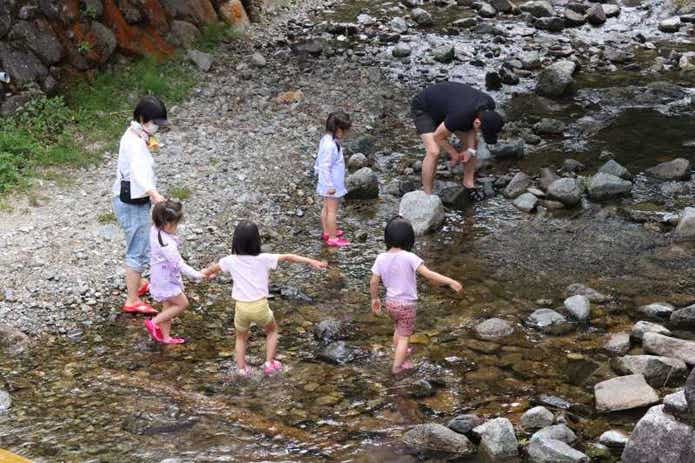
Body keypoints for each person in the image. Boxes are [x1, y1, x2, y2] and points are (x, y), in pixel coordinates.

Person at [204, 221, 327, 377]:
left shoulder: (229, 260)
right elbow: (289, 257)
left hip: (241, 307)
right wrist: (311, 261)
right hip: (260, 306)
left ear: (235, 241)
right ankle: (269, 363)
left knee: (241, 338)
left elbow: (212, 270)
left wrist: (207, 274)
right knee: (272, 331)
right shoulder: (265, 258)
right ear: (257, 240)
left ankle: (242, 369)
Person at [370, 216, 462, 374]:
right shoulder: (410, 257)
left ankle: (398, 352)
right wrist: (450, 281)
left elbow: (373, 281)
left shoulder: (381, 258)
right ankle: (397, 367)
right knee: (405, 336)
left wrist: (374, 298)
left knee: (398, 329)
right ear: (409, 239)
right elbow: (428, 274)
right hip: (406, 305)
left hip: (390, 302)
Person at [112, 95, 169, 315]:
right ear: (143, 119)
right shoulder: (135, 144)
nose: (157, 128)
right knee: (137, 250)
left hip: (130, 199)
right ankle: (132, 300)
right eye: (155, 123)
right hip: (131, 202)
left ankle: (139, 282)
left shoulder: (135, 133)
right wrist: (154, 193)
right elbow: (138, 172)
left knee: (138, 243)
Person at [411, 81, 504, 197]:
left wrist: (470, 151)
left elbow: (472, 128)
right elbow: (438, 137)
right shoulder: (461, 116)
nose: (481, 133)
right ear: (477, 122)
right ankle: (427, 196)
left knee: (473, 143)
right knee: (434, 151)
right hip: (424, 108)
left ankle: (468, 183)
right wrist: (453, 153)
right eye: (483, 131)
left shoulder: (489, 105)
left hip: (449, 108)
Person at [144, 201, 204, 345]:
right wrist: (197, 274)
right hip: (167, 280)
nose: (177, 227)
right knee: (182, 303)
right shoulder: (167, 245)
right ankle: (154, 322)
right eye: (176, 224)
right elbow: (179, 265)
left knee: (168, 307)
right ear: (167, 225)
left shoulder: (154, 230)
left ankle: (166, 338)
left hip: (158, 276)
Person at [315, 111, 351, 248]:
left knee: (326, 208)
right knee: (332, 211)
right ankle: (332, 237)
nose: (345, 134)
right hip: (331, 185)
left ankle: (326, 231)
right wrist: (330, 185)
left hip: (328, 183)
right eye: (344, 130)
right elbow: (324, 166)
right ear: (338, 129)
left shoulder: (327, 140)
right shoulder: (330, 146)